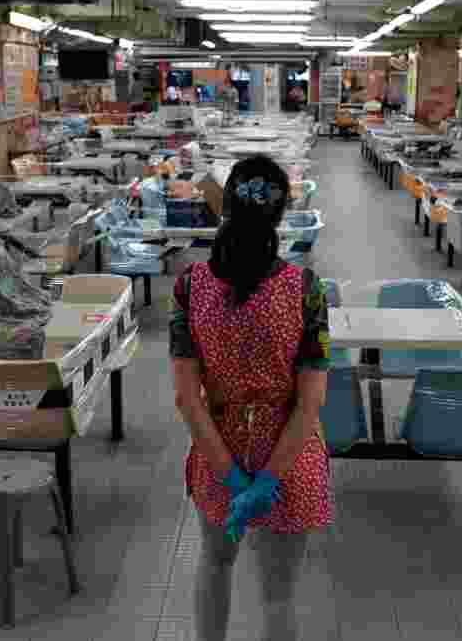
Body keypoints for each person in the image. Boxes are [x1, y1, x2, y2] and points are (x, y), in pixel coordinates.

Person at [170, 155, 333, 641]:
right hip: (289, 462)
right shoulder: (307, 291)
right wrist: (265, 482)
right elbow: (309, 405)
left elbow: (187, 399)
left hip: (218, 450)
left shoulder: (189, 287)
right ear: (280, 217)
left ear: (226, 209)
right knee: (279, 596)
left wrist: (232, 476)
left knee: (215, 567)